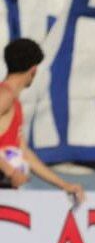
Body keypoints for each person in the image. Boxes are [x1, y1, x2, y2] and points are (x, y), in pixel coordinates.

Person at [0, 39, 85, 205]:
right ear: (34, 70)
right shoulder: (5, 95)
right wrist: (10, 171)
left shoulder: (14, 103)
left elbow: (26, 155)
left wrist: (64, 185)